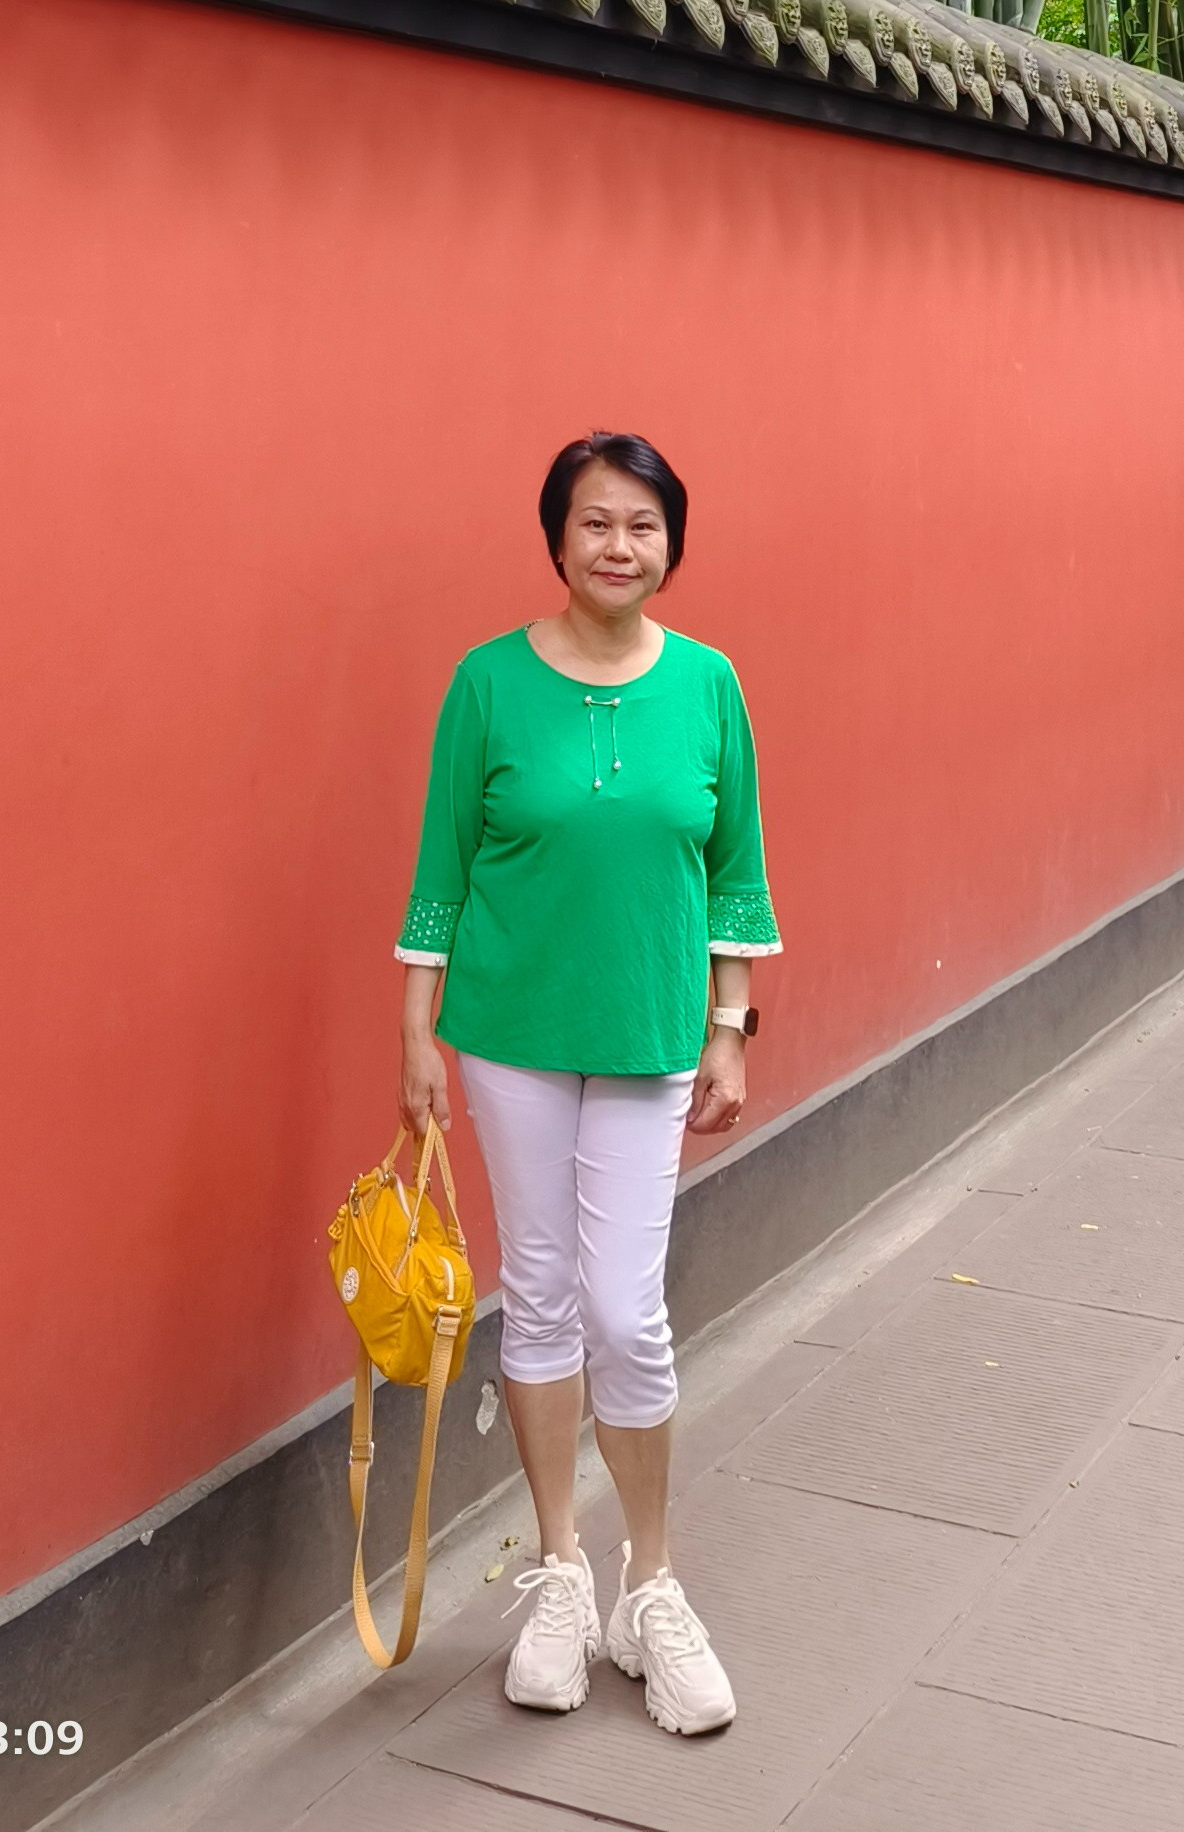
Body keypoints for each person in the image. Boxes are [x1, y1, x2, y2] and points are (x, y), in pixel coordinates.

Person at [395, 427, 779, 1736]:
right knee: (543, 1291)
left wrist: (733, 1022)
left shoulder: (711, 684)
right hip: (507, 1029)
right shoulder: (488, 685)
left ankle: (650, 1586)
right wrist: (416, 1026)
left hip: (652, 1027)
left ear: (672, 544)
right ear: (557, 537)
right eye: (596, 523)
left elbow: (736, 868)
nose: (620, 546)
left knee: (628, 1309)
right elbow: (444, 864)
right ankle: (559, 1568)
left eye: (644, 526)